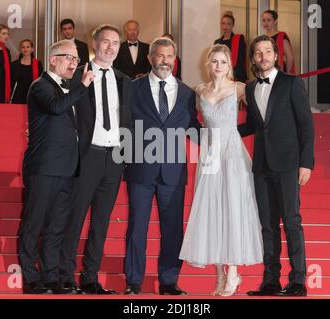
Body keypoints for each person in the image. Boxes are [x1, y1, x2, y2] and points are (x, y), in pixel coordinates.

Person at [179, 44, 263, 297]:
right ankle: (220, 275)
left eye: (223, 62)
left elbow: (256, 119)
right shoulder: (199, 91)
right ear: (208, 63)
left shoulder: (239, 88)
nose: (218, 66)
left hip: (233, 154)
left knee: (233, 208)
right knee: (210, 209)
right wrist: (203, 141)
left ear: (229, 65)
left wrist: (235, 134)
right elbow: (191, 122)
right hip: (210, 155)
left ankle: (234, 272)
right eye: (214, 61)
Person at [123, 37, 202, 295]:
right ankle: (133, 282)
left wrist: (222, 139)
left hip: (172, 171)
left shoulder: (187, 93)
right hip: (140, 170)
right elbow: (122, 125)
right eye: (159, 55)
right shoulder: (132, 89)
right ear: (150, 58)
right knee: (137, 227)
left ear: (175, 59)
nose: (165, 61)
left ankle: (169, 281)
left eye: (169, 56)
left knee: (172, 230)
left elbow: (193, 128)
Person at [59, 24, 133, 295]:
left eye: (115, 43)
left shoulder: (126, 80)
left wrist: (126, 155)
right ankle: (65, 276)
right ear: (94, 43)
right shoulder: (75, 76)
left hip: (114, 159)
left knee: (101, 223)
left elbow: (129, 122)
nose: (111, 47)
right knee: (75, 218)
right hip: (86, 157)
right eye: (106, 42)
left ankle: (90, 278)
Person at [238, 35, 314, 297]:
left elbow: (306, 125)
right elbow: (252, 125)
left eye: (267, 51)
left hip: (288, 163)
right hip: (261, 166)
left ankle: (297, 282)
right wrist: (222, 131)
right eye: (258, 53)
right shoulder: (250, 88)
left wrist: (306, 163)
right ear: (253, 59)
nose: (263, 56)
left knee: (291, 221)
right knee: (267, 225)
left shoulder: (292, 83)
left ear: (275, 54)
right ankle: (270, 281)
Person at [18, 40, 95, 294]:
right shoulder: (40, 86)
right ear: (53, 59)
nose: (74, 63)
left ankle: (51, 278)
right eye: (69, 58)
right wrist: (82, 85)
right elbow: (55, 108)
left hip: (68, 168)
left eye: (76, 59)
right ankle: (31, 278)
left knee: (56, 227)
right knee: (34, 223)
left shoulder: (68, 88)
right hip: (44, 167)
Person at [214, 11, 248, 83]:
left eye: (228, 24)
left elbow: (242, 59)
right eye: (223, 23)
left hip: (237, 76)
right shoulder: (217, 42)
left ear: (233, 25)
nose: (225, 26)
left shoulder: (239, 39)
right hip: (221, 76)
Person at [262, 10, 296, 74]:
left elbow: (289, 57)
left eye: (269, 20)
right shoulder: (262, 38)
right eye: (264, 20)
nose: (266, 23)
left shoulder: (281, 36)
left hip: (279, 71)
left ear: (275, 21)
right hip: (266, 71)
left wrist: (288, 73)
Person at [11, 39, 43, 104]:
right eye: (23, 47)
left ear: (32, 49)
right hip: (18, 97)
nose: (25, 49)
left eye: (28, 47)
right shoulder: (14, 64)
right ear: (20, 49)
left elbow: (41, 81)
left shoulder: (38, 64)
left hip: (33, 96)